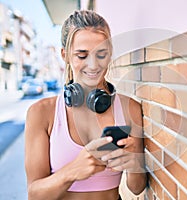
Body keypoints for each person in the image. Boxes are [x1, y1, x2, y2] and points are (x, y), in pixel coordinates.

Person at [24, 10, 147, 200]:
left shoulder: (130, 108)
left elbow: (137, 188)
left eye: (101, 54)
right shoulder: (42, 113)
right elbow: (34, 194)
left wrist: (134, 163)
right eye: (82, 55)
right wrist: (73, 171)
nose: (93, 65)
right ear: (65, 55)